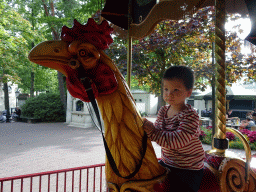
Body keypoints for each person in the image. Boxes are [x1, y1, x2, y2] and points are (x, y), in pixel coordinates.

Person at [143, 66, 205, 192]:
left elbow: (176, 141)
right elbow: (158, 132)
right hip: (167, 162)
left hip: (188, 168)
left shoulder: (190, 115)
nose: (169, 94)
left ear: (188, 93)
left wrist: (152, 131)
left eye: (175, 90)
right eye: (166, 89)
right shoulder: (163, 111)